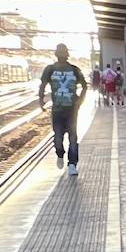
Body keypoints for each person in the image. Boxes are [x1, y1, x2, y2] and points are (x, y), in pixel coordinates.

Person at [38, 43, 87, 176]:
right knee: (58, 137)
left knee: (73, 138)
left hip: (72, 110)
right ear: (56, 54)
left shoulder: (74, 70)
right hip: (57, 110)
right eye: (59, 52)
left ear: (67, 54)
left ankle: (72, 163)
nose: (62, 55)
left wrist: (79, 101)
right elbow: (42, 85)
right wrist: (41, 100)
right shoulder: (50, 69)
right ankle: (60, 153)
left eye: (63, 52)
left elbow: (84, 85)